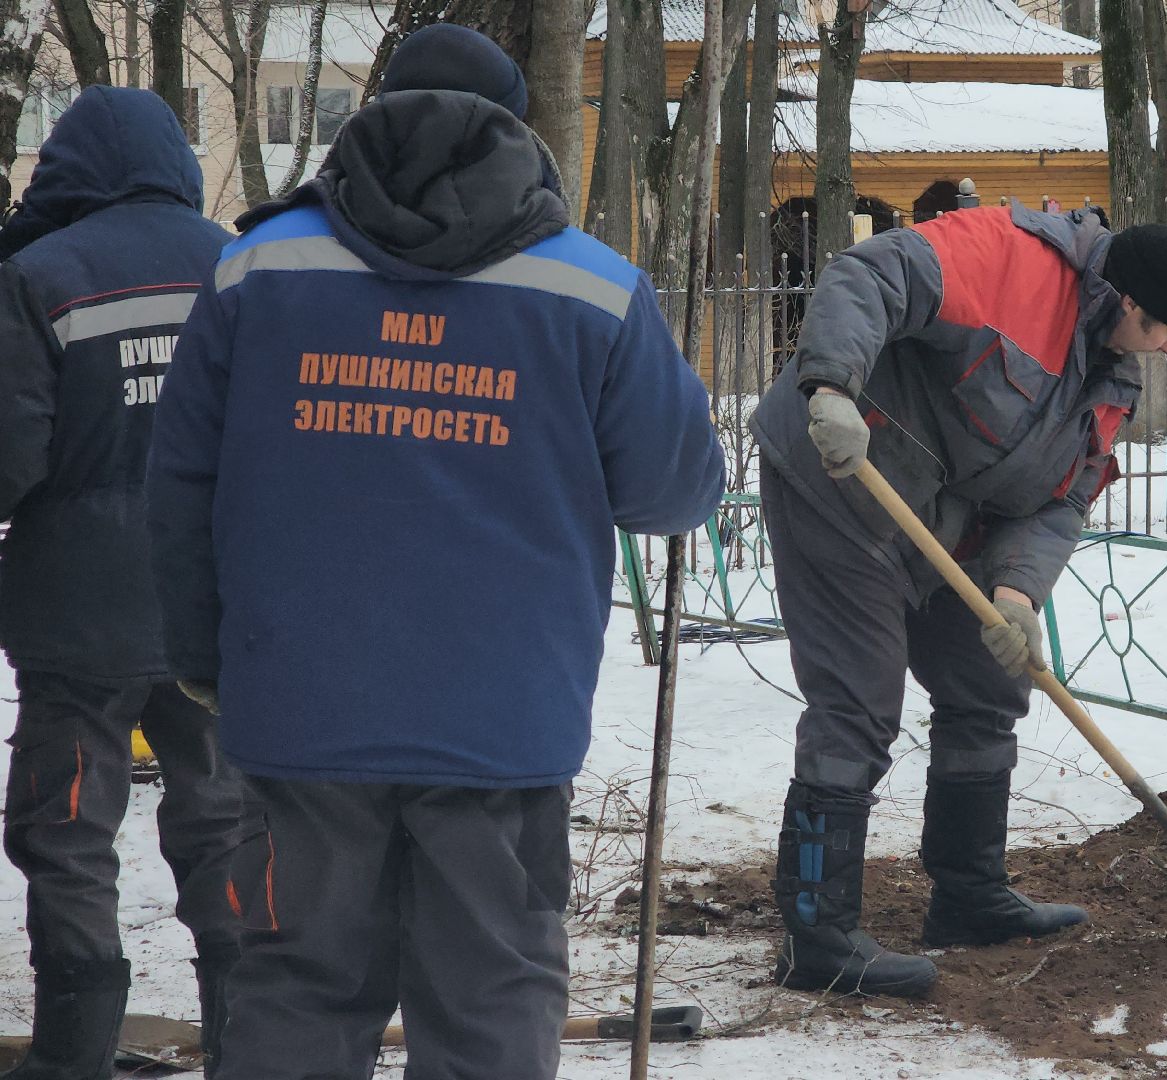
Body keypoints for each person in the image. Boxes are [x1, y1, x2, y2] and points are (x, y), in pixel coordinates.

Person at [146, 24, 725, 1078]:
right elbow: (671, 494)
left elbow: (179, 485)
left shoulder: (257, 268)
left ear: (370, 115)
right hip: (501, 715)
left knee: (298, 986)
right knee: (493, 993)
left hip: (301, 704)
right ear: (520, 129)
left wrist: (206, 658)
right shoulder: (592, 290)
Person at [749, 206, 1167, 997]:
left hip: (940, 521)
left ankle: (967, 894)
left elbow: (1058, 503)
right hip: (840, 475)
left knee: (989, 680)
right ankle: (817, 930)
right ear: (1128, 300)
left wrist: (1016, 597)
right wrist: (829, 382)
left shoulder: (1110, 385)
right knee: (860, 698)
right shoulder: (1013, 262)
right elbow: (869, 274)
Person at [0, 87, 242, 1080]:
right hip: (218, 606)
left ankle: (74, 1047)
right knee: (225, 818)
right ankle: (250, 1033)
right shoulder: (240, 266)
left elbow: (10, 459)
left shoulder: (36, 277)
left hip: (77, 613)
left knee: (65, 830)